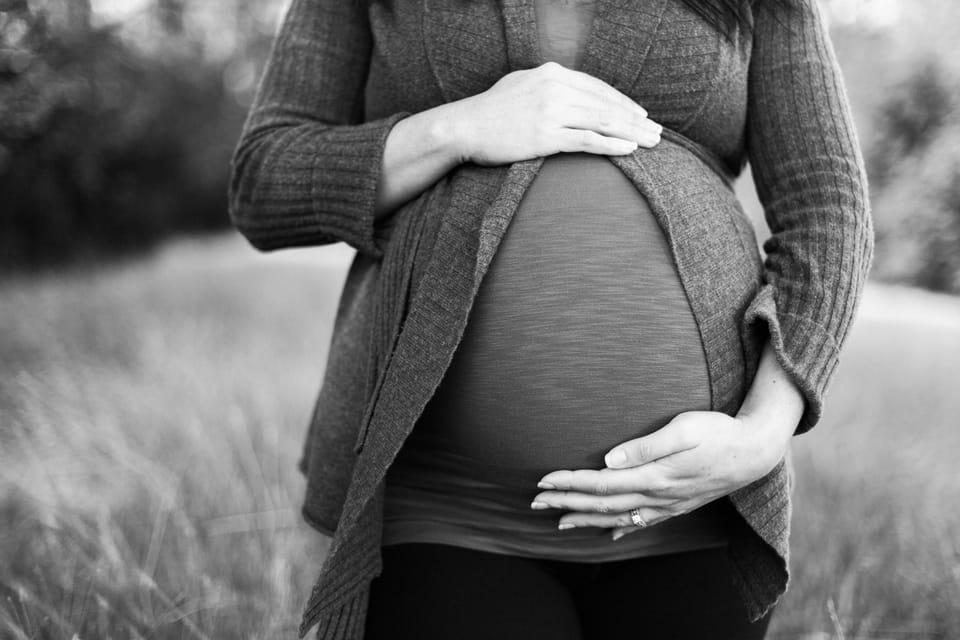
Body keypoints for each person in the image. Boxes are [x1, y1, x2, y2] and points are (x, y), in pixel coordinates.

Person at [228, 0, 873, 638]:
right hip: (443, 508)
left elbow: (828, 207)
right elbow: (265, 179)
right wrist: (459, 128)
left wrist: (760, 436)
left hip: (696, 506)